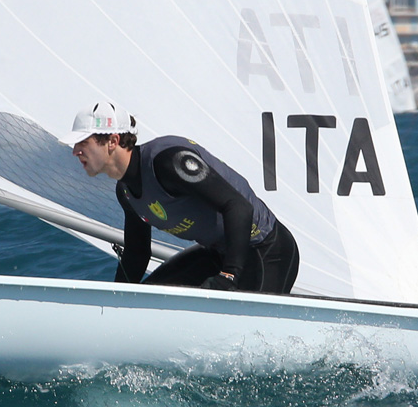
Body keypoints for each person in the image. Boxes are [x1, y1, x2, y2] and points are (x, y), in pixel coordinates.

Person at [63, 101, 299, 294]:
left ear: (113, 141)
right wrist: (114, 303)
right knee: (148, 300)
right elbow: (137, 252)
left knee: (248, 338)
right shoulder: (125, 192)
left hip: (266, 250)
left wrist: (229, 276)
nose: (75, 151)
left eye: (83, 142)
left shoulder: (169, 162)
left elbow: (238, 207)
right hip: (219, 254)